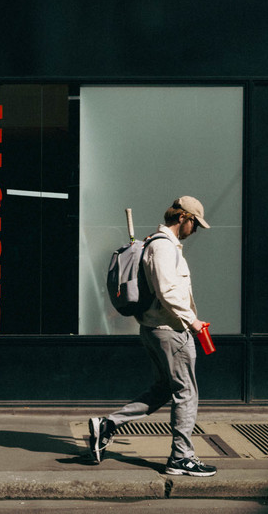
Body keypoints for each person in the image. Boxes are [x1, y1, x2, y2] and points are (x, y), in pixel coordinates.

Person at [87, 195, 217, 477]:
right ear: (182, 218)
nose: (195, 230)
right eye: (195, 224)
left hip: (155, 329)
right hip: (171, 330)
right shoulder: (163, 247)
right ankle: (181, 457)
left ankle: (108, 425)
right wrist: (192, 321)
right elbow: (167, 290)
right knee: (186, 393)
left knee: (164, 389)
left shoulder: (157, 244)